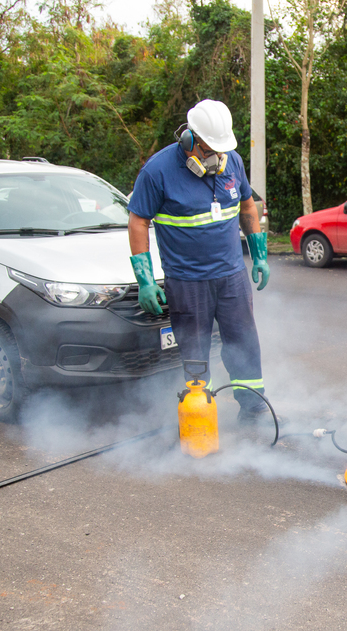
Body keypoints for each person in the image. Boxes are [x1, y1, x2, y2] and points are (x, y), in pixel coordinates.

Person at [127, 99, 271, 422]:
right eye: (208, 150)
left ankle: (253, 408)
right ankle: (199, 415)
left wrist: (259, 256)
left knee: (245, 343)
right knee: (195, 351)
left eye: (220, 151)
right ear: (189, 140)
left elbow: (248, 206)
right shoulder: (157, 171)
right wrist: (146, 281)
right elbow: (138, 221)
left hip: (232, 275)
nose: (215, 158)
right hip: (187, 281)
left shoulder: (231, 162)